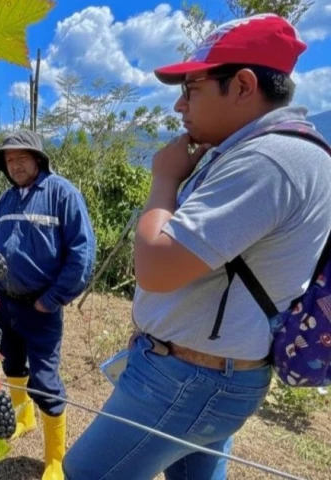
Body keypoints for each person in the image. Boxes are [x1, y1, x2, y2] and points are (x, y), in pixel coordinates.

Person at [64, 14, 331, 479]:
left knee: (83, 473)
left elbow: (156, 266)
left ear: (243, 85)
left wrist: (164, 178)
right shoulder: (277, 152)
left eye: (192, 89)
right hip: (207, 373)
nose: (179, 105)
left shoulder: (269, 160)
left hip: (187, 379)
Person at [0, 129, 96, 480]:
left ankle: (54, 460)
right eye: (9, 160)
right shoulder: (6, 200)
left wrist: (52, 300)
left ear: (38, 159)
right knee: (12, 363)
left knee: (45, 381)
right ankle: (24, 419)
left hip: (41, 308)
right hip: (5, 303)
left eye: (21, 158)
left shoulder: (62, 194)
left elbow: (82, 255)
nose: (15, 165)